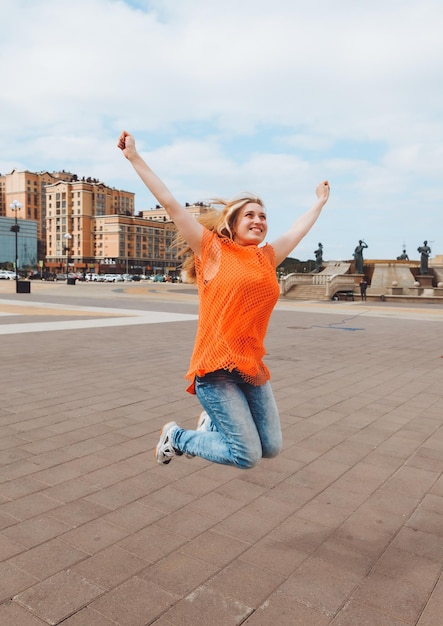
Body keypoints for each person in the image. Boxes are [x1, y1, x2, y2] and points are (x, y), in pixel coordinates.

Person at [118, 131, 330, 468]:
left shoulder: (266, 258)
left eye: (263, 216)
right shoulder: (212, 250)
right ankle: (177, 436)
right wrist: (134, 157)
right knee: (246, 456)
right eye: (250, 215)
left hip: (250, 367)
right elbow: (171, 203)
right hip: (215, 370)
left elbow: (297, 230)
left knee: (271, 447)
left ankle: (211, 424)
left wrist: (319, 202)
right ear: (232, 223)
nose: (259, 221)